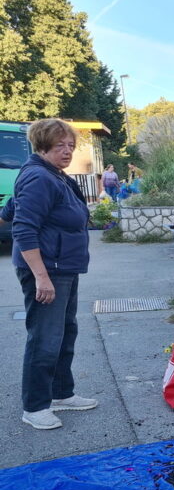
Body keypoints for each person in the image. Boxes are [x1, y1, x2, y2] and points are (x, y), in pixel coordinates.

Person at [12, 118, 97, 430]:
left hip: (64, 269)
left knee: (64, 333)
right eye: (60, 145)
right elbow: (22, 228)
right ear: (42, 144)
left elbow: (10, 209)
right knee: (45, 339)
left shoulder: (52, 175)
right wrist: (41, 276)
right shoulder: (39, 177)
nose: (67, 151)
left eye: (71, 145)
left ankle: (60, 393)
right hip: (48, 271)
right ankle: (34, 407)